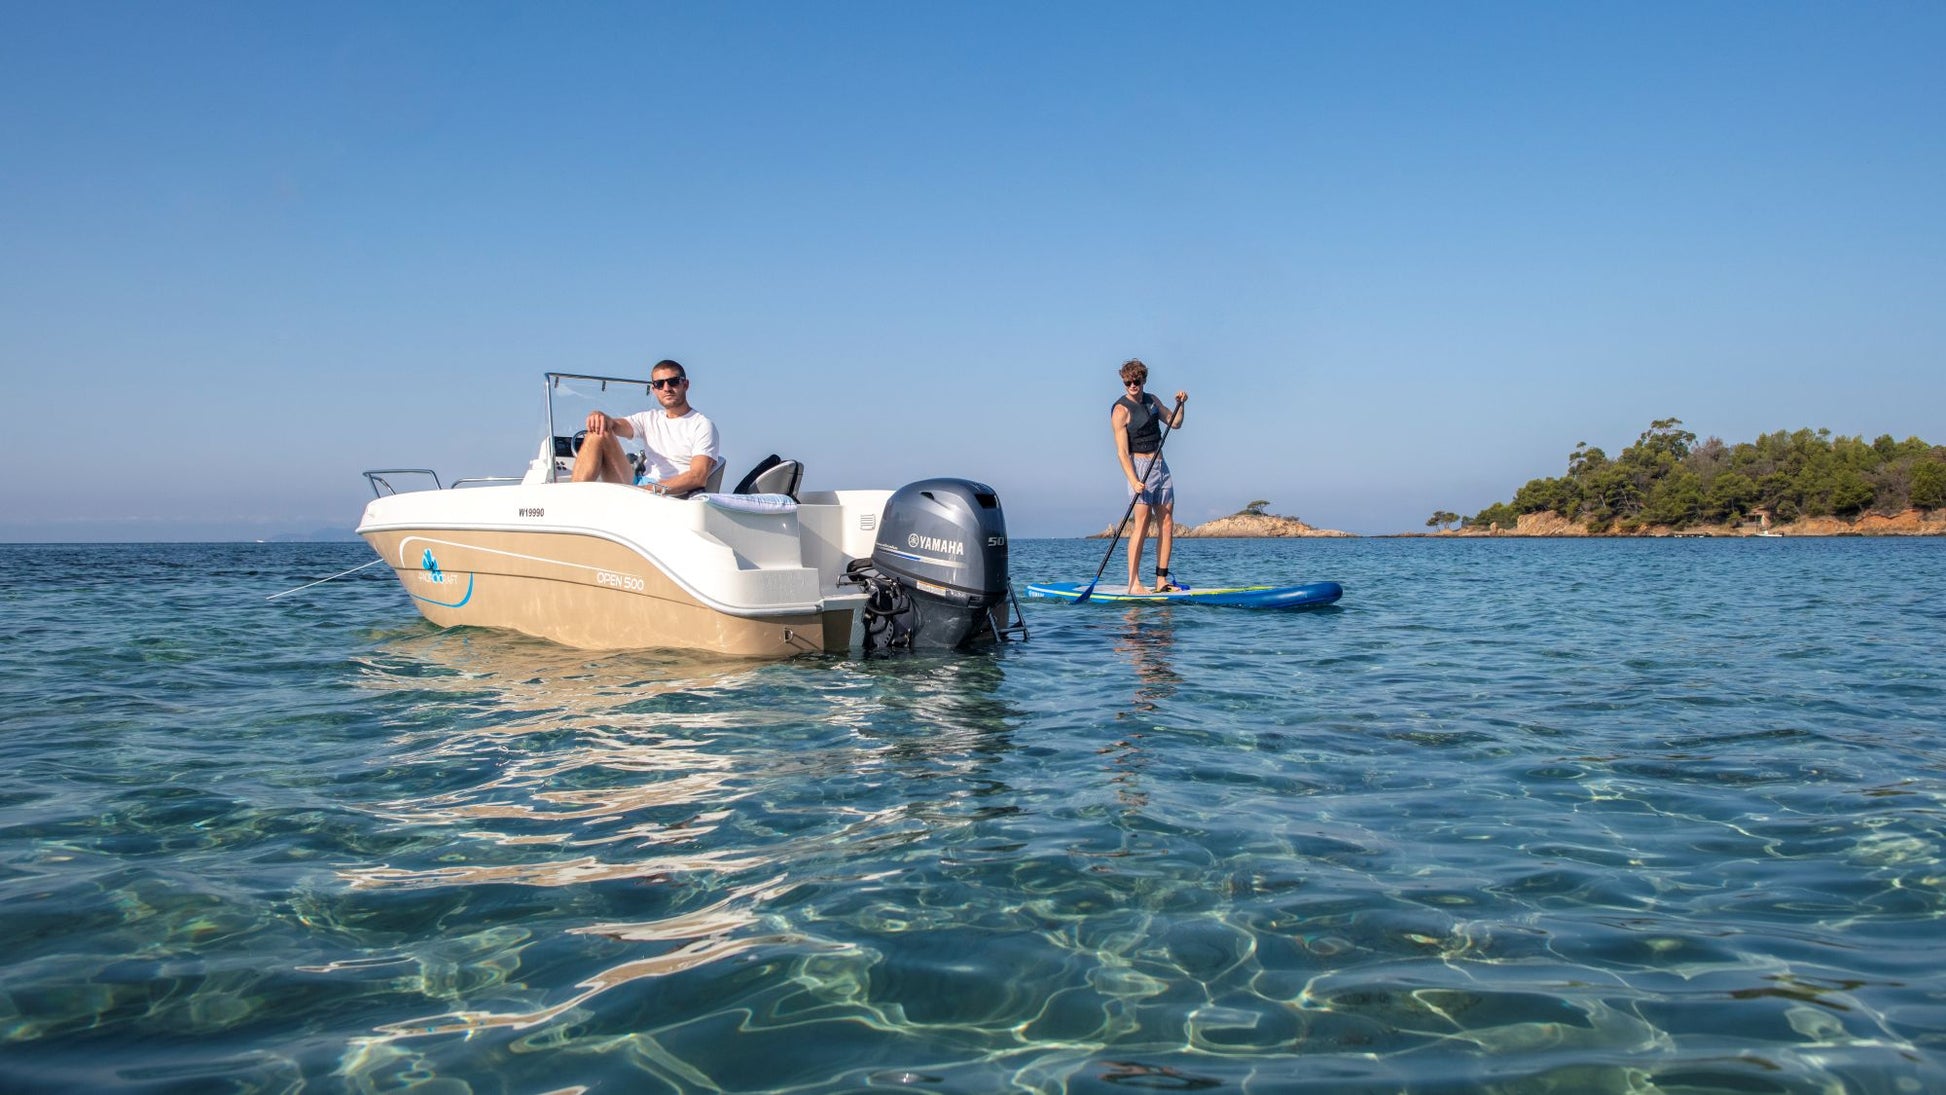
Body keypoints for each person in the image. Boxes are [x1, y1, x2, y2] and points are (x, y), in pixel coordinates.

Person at [571, 359, 722, 497]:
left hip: (671, 495)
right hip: (641, 487)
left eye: (673, 382)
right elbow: (615, 425)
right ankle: (572, 500)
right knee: (598, 431)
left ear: (685, 384)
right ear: (654, 389)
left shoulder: (701, 425)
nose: (667, 388)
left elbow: (698, 477)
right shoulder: (649, 418)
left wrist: (649, 490)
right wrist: (600, 417)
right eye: (660, 384)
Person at [1110, 358, 1187, 593]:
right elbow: (1122, 452)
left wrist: (1180, 404)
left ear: (1143, 380)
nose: (1132, 385)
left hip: (1161, 466)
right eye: (1128, 382)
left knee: (1167, 522)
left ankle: (1161, 580)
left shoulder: (1152, 400)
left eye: (1136, 381)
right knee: (1142, 524)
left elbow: (1175, 423)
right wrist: (1134, 480)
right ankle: (1133, 583)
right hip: (1139, 467)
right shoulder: (1120, 410)